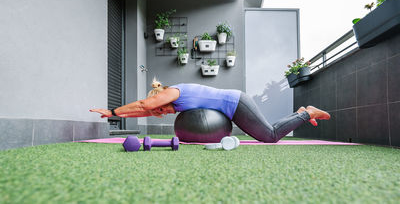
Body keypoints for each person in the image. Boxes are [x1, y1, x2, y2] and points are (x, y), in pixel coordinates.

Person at [90, 83, 330, 143]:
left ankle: (307, 113)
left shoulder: (172, 92)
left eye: (159, 108)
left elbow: (143, 105)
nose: (161, 112)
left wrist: (112, 111)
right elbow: (143, 112)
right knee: (269, 131)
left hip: (236, 103)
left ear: (159, 98)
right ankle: (300, 112)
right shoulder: (175, 100)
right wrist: (118, 116)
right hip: (233, 105)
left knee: (270, 137)